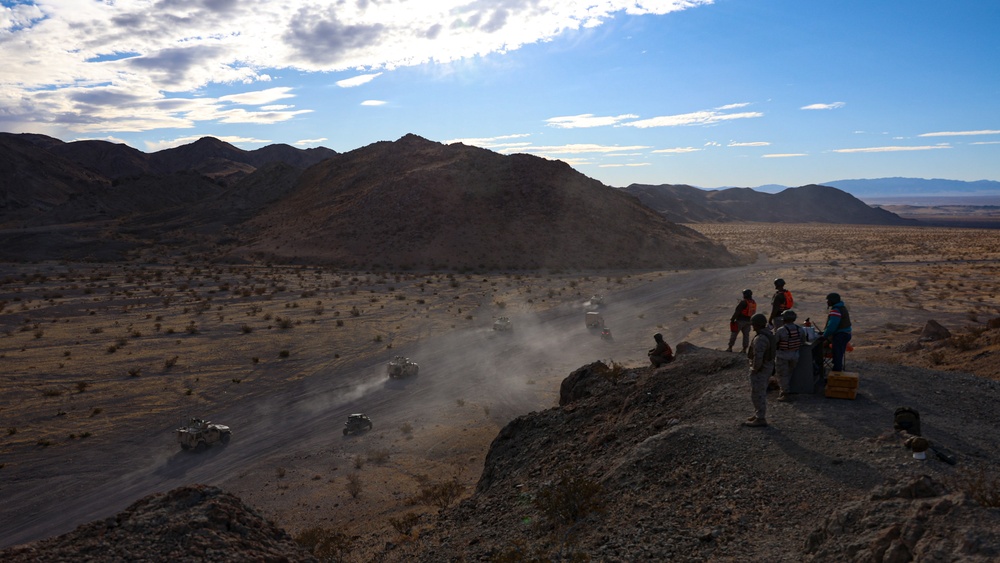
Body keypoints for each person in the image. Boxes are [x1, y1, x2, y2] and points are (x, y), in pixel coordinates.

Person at [744, 314, 775, 427]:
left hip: (761, 369)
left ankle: (760, 418)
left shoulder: (760, 339)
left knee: (758, 393)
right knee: (758, 392)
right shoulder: (768, 334)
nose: (752, 326)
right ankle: (758, 414)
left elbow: (758, 358)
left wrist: (754, 369)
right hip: (767, 367)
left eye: (753, 324)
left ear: (756, 325)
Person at [774, 309, 804, 401]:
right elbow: (802, 341)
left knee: (782, 375)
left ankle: (785, 393)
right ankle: (786, 389)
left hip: (782, 355)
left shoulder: (781, 330)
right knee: (789, 373)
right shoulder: (800, 329)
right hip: (794, 355)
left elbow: (775, 342)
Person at [822, 293, 852, 372]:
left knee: (837, 356)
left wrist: (824, 336)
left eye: (828, 300)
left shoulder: (836, 310)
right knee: (838, 354)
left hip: (840, 336)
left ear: (832, 301)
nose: (827, 302)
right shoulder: (842, 308)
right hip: (845, 334)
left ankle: (836, 374)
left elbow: (832, 326)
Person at [727, 289, 756, 353]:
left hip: (740, 321)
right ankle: (744, 349)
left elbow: (737, 311)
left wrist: (732, 319)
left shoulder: (743, 302)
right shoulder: (753, 302)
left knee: (734, 334)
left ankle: (730, 347)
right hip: (748, 321)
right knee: (746, 335)